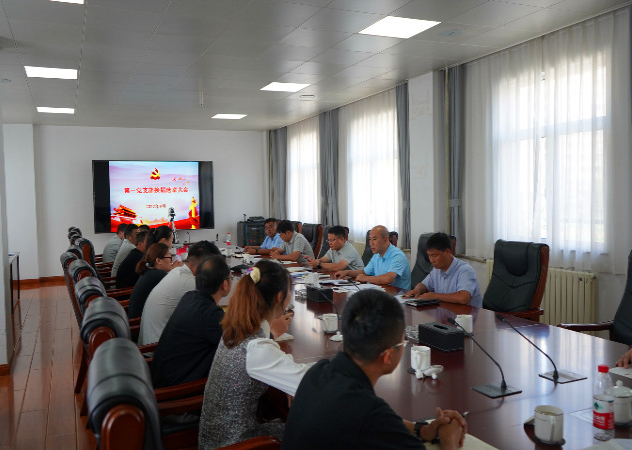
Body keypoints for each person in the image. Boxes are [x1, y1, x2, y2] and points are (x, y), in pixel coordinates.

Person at [281, 290, 467, 450]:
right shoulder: (369, 413)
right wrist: (449, 439)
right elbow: (375, 421)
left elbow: (383, 424)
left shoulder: (318, 371)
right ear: (388, 356)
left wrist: (423, 430)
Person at [198, 260, 312, 448]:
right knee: (315, 433)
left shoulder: (237, 327)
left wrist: (287, 379)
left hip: (218, 438)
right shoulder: (255, 347)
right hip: (235, 443)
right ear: (280, 297)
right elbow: (309, 383)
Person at [151, 255, 230, 388]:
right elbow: (239, 346)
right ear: (225, 284)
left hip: (162, 376)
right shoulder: (210, 315)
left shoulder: (190, 296)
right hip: (176, 391)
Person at [138, 240, 220, 345]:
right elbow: (214, 308)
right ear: (205, 264)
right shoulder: (188, 281)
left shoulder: (177, 271)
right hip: (157, 347)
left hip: (153, 341)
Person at [403, 232, 482, 308]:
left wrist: (435, 296)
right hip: (446, 312)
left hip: (466, 315)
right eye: (429, 256)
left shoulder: (465, 270)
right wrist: (417, 290)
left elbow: (463, 298)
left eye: (434, 255)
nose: (431, 260)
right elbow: (424, 285)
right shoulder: (436, 270)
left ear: (447, 252)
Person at [335, 225, 411, 290]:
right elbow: (364, 272)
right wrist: (347, 272)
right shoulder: (377, 255)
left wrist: (365, 278)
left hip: (398, 295)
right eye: (370, 239)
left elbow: (388, 278)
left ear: (385, 240)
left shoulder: (397, 255)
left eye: (374, 239)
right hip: (382, 292)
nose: (371, 243)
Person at [128, 243, 177, 320]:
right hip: (139, 321)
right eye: (169, 257)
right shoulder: (158, 275)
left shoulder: (149, 271)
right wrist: (176, 270)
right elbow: (176, 286)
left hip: (138, 317)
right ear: (158, 260)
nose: (172, 260)